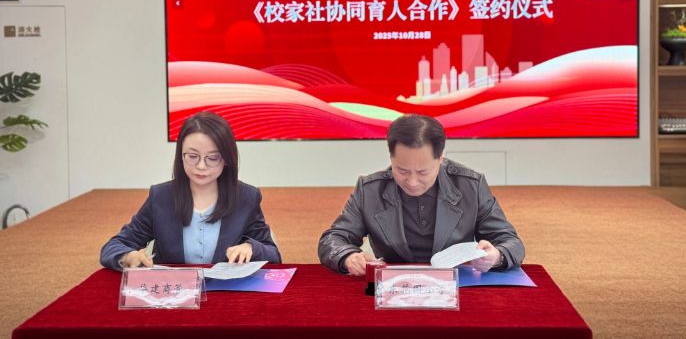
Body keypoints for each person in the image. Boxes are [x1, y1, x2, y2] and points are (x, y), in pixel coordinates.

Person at [318, 114, 524, 276]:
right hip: (393, 285)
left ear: (440, 159)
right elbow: (333, 239)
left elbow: (509, 240)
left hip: (455, 284)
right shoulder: (370, 189)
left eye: (423, 172)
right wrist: (349, 257)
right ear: (391, 157)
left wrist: (496, 256)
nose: (412, 182)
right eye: (402, 170)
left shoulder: (470, 185)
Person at [100, 112, 281, 270]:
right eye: (193, 156)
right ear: (181, 155)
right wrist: (129, 257)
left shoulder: (246, 197)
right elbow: (113, 246)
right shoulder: (161, 197)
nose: (201, 166)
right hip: (174, 294)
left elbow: (273, 254)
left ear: (227, 159)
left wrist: (250, 247)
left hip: (226, 293)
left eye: (213, 158)